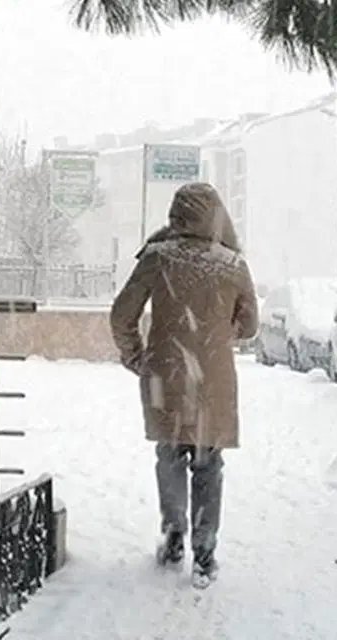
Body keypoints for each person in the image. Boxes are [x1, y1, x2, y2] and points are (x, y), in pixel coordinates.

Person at [109, 182, 258, 587]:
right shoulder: (231, 264)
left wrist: (137, 357)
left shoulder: (157, 257)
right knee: (208, 463)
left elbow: (121, 315)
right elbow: (249, 327)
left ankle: (174, 532)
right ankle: (205, 550)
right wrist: (216, 332)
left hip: (167, 377)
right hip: (213, 380)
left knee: (170, 454)